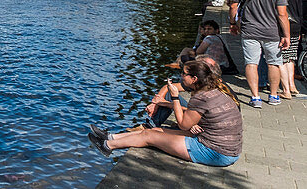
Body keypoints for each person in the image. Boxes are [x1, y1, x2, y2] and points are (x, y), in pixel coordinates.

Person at [90, 59, 242, 167]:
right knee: (155, 130)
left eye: (184, 74)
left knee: (149, 136)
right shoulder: (212, 90)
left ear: (194, 78)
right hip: (223, 147)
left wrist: (175, 96)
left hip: (215, 152)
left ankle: (107, 145)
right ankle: (111, 137)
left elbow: (183, 125)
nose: (181, 76)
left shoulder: (201, 97)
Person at [229, 0, 291, 107]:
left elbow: (233, 7)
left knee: (251, 63)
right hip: (272, 33)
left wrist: (233, 24)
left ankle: (255, 97)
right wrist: (286, 36)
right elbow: (282, 15)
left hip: (249, 31)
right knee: (273, 64)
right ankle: (274, 96)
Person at [270, 0, 307, 99]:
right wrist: (300, 30)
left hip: (280, 27)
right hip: (295, 26)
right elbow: (299, 12)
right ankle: (292, 86)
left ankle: (286, 91)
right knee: (290, 58)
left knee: (281, 59)